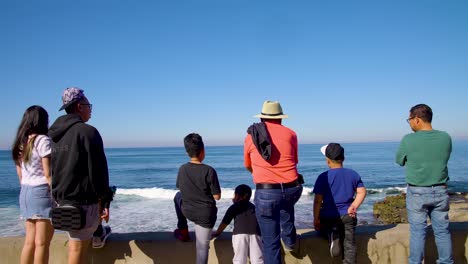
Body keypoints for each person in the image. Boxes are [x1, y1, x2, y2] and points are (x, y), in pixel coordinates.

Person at [48, 87, 113, 264]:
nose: (90, 109)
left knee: (76, 246)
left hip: (61, 202)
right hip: (83, 204)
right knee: (77, 250)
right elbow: (98, 172)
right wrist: (105, 201)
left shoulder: (53, 135)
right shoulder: (88, 132)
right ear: (79, 107)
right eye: (88, 105)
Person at [244, 100, 303, 264]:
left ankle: (286, 241)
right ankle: (290, 241)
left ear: (262, 118)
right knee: (285, 205)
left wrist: (261, 174)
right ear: (281, 118)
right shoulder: (291, 134)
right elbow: (294, 161)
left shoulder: (251, 137)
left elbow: (247, 165)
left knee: (270, 243)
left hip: (266, 193)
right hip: (293, 189)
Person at [396, 104, 453, 264]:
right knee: (442, 231)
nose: (409, 123)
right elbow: (442, 158)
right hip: (441, 191)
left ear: (417, 119)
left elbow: (399, 160)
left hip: (417, 192)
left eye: (409, 120)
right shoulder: (445, 137)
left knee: (417, 232)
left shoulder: (408, 139)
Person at [12, 105, 54, 264]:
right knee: (42, 243)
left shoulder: (21, 142)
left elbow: (20, 174)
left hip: (25, 193)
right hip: (41, 192)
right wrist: (57, 195)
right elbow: (48, 174)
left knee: (29, 241)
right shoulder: (43, 140)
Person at [313, 143, 366, 264]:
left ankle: (331, 234)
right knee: (349, 243)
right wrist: (353, 206)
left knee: (321, 230)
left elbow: (317, 201)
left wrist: (316, 218)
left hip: (328, 216)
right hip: (348, 215)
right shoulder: (353, 174)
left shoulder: (323, 177)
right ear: (343, 158)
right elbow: (362, 192)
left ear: (327, 161)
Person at [173, 133, 221, 264]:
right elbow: (217, 197)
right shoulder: (209, 171)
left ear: (187, 152)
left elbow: (181, 189)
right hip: (205, 216)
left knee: (177, 197)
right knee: (202, 249)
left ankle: (183, 230)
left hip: (187, 211)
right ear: (203, 150)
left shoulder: (182, 169)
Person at [212, 184, 264, 264]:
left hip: (239, 235)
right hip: (256, 234)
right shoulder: (254, 207)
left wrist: (217, 232)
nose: (233, 197)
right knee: (258, 260)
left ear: (238, 195)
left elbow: (225, 222)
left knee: (239, 260)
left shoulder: (234, 207)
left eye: (234, 195)